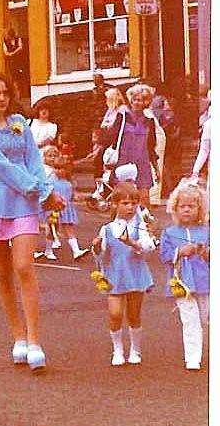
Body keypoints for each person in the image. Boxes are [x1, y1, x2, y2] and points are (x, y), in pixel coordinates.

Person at [0, 71, 65, 372]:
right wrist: (38, 191)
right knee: (2, 273)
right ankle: (18, 336)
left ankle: (35, 340)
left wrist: (47, 192)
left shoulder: (19, 123)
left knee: (24, 266)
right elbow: (2, 167)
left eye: (4, 93)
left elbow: (33, 160)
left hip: (24, 203)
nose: (1, 98)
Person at [90, 182, 156, 366]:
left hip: (135, 274)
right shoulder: (107, 229)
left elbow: (148, 248)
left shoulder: (140, 227)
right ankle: (117, 349)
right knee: (115, 313)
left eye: (134, 203)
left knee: (134, 315)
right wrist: (96, 246)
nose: (130, 207)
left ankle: (136, 349)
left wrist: (132, 243)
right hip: (115, 275)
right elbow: (101, 253)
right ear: (115, 205)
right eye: (125, 203)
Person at [159, 182, 210, 371]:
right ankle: (192, 357)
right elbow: (164, 256)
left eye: (191, 206)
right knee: (190, 319)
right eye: (183, 206)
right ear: (175, 208)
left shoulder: (207, 232)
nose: (187, 210)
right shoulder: (169, 232)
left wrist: (205, 253)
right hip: (181, 282)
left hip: (205, 281)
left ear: (200, 209)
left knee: (205, 317)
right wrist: (180, 251)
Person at [105, 83, 159, 208]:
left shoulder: (149, 121)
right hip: (123, 161)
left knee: (144, 199)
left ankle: (142, 225)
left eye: (141, 100)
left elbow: (151, 146)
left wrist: (156, 168)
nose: (137, 103)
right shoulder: (122, 117)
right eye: (135, 99)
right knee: (121, 199)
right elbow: (113, 139)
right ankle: (119, 225)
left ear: (146, 102)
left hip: (142, 162)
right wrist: (108, 160)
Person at [2, 26, 25, 90]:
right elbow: (5, 52)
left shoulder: (18, 39)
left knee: (19, 76)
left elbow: (20, 47)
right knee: (12, 77)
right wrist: (9, 54)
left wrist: (13, 53)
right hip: (11, 62)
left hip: (19, 60)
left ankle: (19, 91)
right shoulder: (5, 42)